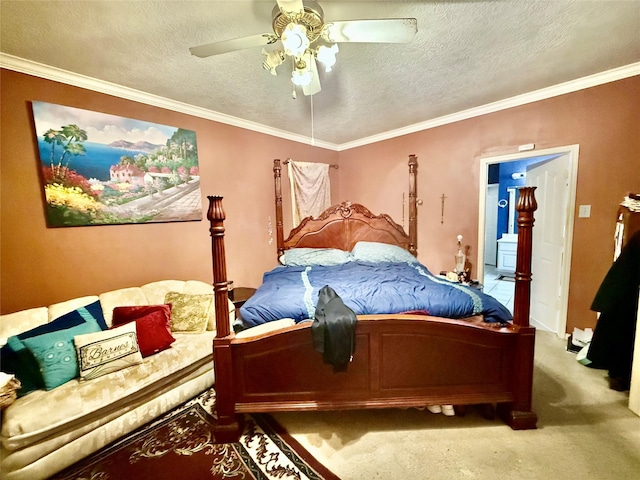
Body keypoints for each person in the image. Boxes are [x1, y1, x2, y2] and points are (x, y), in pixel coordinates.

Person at [587, 229, 640, 391]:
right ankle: (621, 376)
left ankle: (619, 374)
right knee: (624, 333)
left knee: (622, 333)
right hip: (626, 293)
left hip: (623, 292)